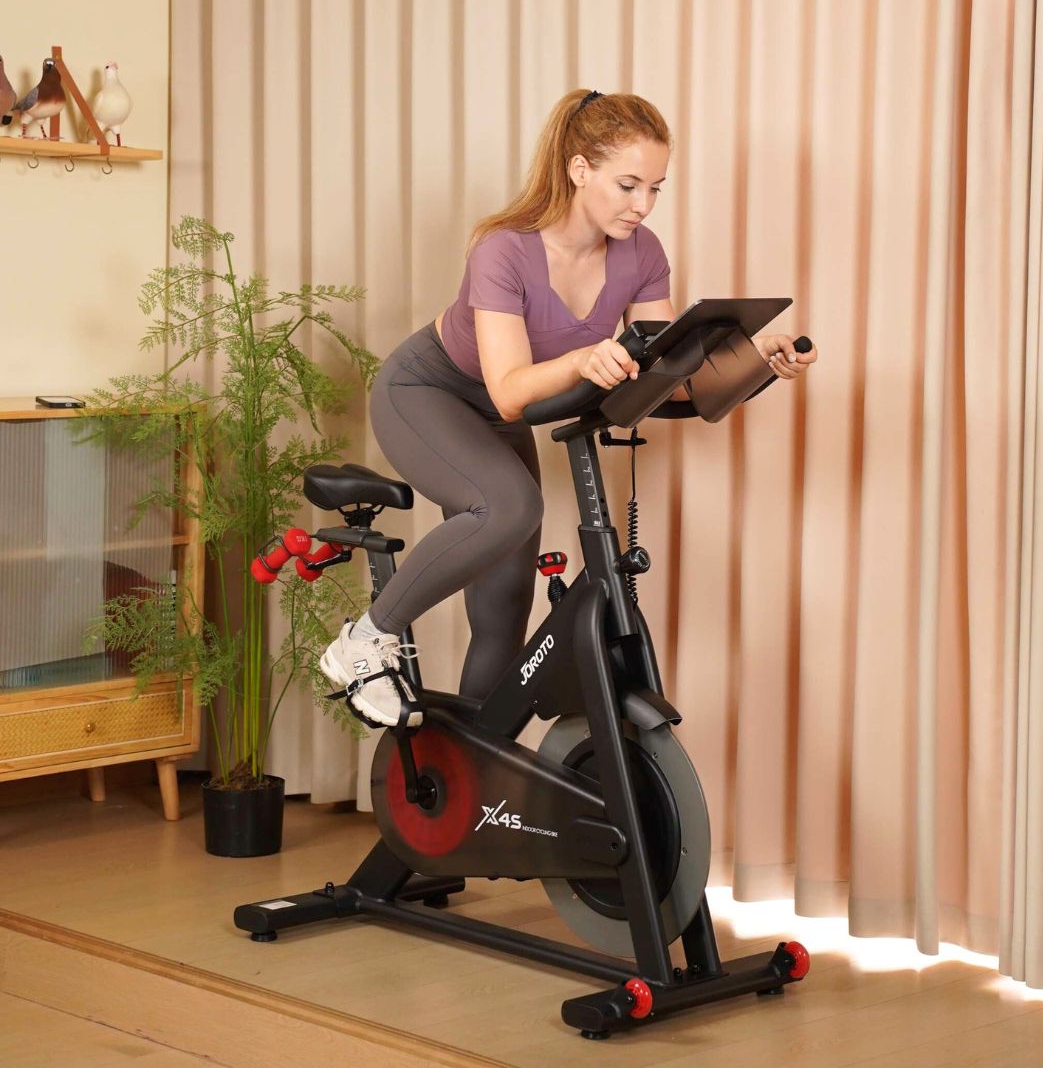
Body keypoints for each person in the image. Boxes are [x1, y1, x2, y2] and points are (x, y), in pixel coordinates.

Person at [319, 88, 818, 728]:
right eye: (628, 185)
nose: (643, 205)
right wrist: (585, 359)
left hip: (499, 417)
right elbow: (509, 390)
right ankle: (364, 639)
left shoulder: (642, 253)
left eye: (655, 189)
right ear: (579, 170)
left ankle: (476, 762)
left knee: (505, 606)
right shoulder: (504, 249)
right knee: (510, 506)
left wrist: (753, 362)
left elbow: (668, 377)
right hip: (428, 393)